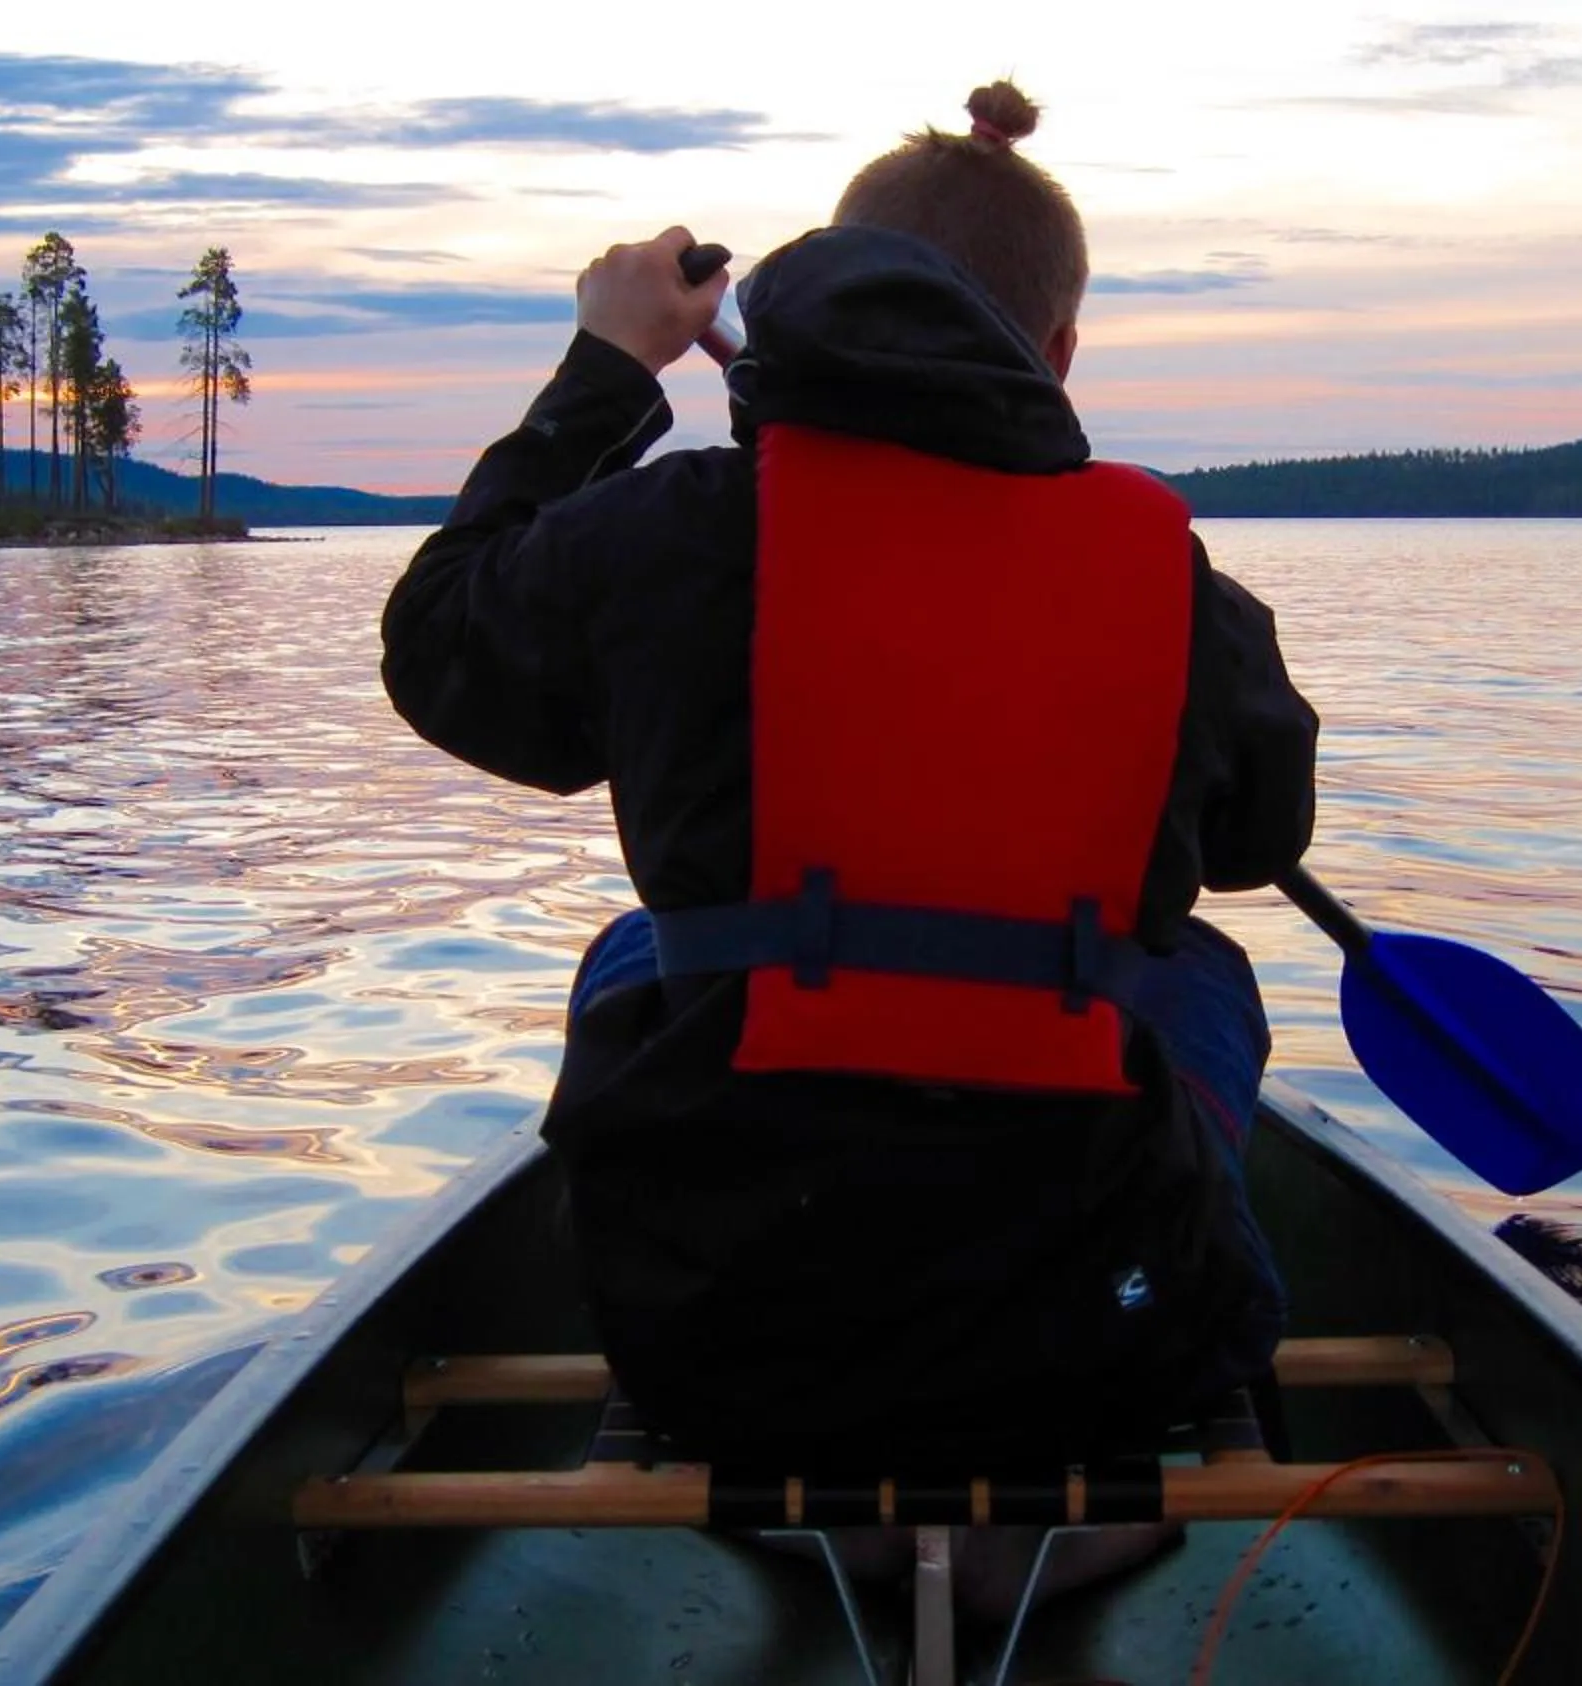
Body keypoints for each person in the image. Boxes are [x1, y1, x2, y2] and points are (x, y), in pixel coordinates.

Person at [380, 81, 1318, 1480]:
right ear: (1060, 353)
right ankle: (1167, 1327)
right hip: (1102, 1326)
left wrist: (610, 370)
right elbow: (1257, 837)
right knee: (1200, 970)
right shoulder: (1172, 586)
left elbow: (436, 648)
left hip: (716, 1331)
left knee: (639, 953)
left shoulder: (667, 535)